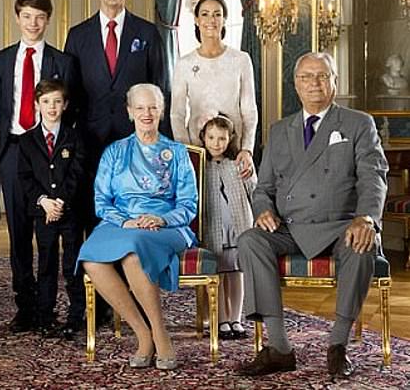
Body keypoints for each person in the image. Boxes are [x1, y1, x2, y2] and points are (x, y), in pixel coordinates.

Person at [236, 52, 388, 378]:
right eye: (306, 77)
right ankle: (278, 348)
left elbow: (373, 176)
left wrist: (366, 219)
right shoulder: (279, 130)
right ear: (296, 84)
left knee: (363, 244)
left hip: (341, 225)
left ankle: (338, 346)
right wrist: (263, 210)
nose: (314, 83)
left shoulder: (358, 123)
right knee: (250, 241)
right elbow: (263, 189)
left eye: (322, 76)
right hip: (290, 226)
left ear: (334, 81)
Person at [77, 84, 197, 371]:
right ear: (129, 112)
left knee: (134, 251)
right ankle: (143, 332)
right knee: (91, 258)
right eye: (140, 108)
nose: (147, 113)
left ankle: (159, 333)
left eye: (153, 107)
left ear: (162, 112)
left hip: (166, 225)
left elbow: (189, 204)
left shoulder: (177, 153)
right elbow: (101, 201)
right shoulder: (114, 152)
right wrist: (125, 221)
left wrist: (162, 219)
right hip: (121, 221)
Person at [0, 0, 75, 333]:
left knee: (51, 230)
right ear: (17, 18)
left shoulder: (63, 61)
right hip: (13, 150)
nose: (33, 23)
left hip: (51, 152)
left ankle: (49, 306)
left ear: (48, 21)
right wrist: (14, 138)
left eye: (40, 17)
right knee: (19, 233)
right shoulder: (0, 60)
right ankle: (25, 306)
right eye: (27, 16)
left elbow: (70, 109)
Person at [64, 0, 168, 234]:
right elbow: (69, 93)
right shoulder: (77, 35)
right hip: (90, 138)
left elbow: (160, 88)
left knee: (134, 206)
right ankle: (94, 269)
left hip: (135, 139)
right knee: (91, 209)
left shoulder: (147, 33)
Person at [18, 80, 86, 339]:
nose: (52, 107)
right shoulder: (26, 141)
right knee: (46, 263)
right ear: (37, 105)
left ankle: (75, 315)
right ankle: (45, 315)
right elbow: (25, 177)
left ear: (65, 105)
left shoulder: (75, 137)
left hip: (69, 212)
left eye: (57, 101)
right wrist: (44, 200)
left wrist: (61, 202)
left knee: (72, 263)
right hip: (43, 212)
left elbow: (77, 173)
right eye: (46, 102)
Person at [170, 0, 257, 180]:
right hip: (197, 154)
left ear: (224, 19)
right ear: (196, 19)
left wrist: (247, 150)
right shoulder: (184, 64)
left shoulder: (241, 60)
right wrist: (187, 151)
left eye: (217, 14)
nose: (211, 20)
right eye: (205, 14)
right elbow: (177, 114)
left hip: (234, 152)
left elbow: (249, 111)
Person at [200, 114, 256, 340]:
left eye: (221, 138)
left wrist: (250, 174)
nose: (216, 143)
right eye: (211, 137)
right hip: (213, 228)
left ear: (230, 139)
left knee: (237, 273)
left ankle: (236, 319)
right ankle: (221, 318)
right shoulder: (200, 167)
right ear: (203, 137)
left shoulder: (237, 165)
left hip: (238, 226)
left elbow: (254, 191)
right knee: (218, 273)